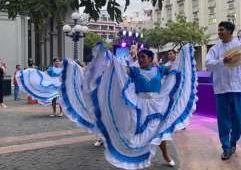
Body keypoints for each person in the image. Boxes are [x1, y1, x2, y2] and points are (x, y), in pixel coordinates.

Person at [60, 43, 197, 169]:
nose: (141, 60)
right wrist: (107, 56)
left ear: (150, 59)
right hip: (140, 105)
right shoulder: (134, 71)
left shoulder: (159, 69)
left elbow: (175, 68)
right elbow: (119, 69)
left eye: (143, 57)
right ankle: (136, 158)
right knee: (137, 133)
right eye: (139, 57)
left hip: (157, 105)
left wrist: (184, 53)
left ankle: (166, 156)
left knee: (159, 131)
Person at [205, 21, 241, 161]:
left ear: (229, 31)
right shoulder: (215, 49)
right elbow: (208, 64)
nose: (219, 32)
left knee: (238, 119)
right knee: (223, 120)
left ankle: (234, 141)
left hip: (237, 88)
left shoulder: (239, 47)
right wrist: (223, 61)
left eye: (222, 29)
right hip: (221, 89)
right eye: (219, 29)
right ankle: (226, 147)